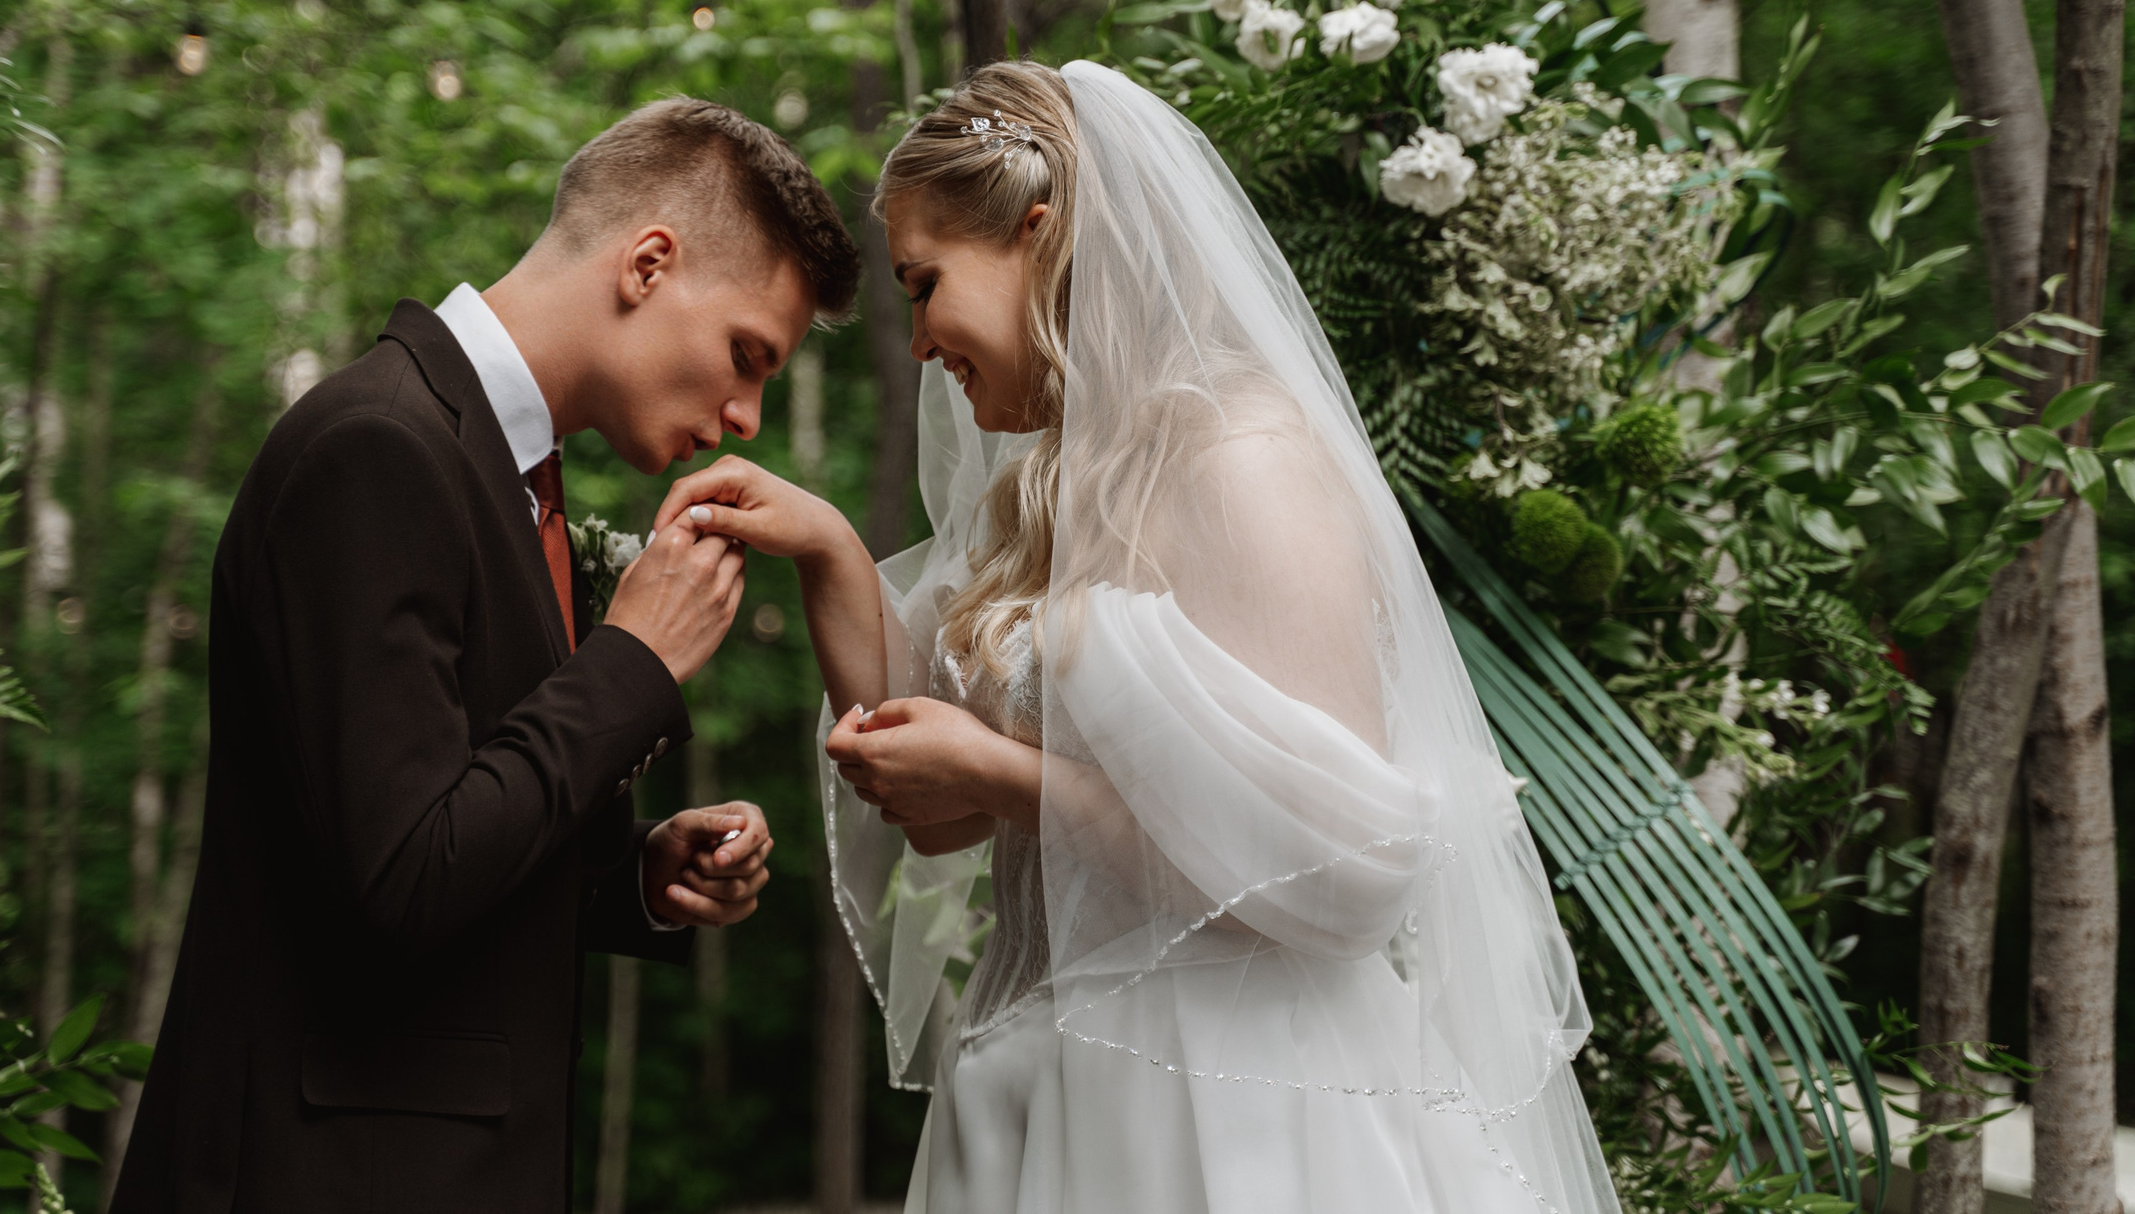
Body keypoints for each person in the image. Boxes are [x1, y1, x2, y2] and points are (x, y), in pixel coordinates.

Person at [662, 61, 1624, 1214]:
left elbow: (1346, 868)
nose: (918, 342)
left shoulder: (1244, 462)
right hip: (1045, 1082)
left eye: (926, 284)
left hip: (1229, 1101)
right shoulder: (1057, 487)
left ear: (1037, 235)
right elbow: (925, 777)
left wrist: (1006, 779)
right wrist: (823, 549)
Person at [112, 98, 860, 1214]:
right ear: (648, 263)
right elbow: (400, 880)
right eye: (747, 356)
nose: (747, 414)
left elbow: (436, 826)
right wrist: (631, 665)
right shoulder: (377, 449)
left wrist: (635, 878)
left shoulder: (514, 479)